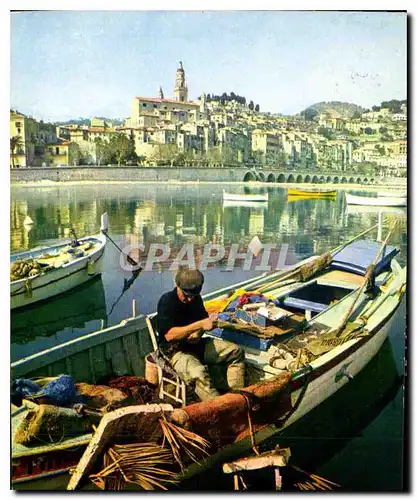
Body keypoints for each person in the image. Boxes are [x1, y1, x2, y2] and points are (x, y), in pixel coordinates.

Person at [157, 267, 245, 401]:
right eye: (186, 295)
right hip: (174, 351)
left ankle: (236, 396)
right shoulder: (167, 301)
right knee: (199, 373)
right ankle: (219, 408)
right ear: (178, 286)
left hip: (196, 345)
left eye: (193, 295)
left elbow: (203, 321)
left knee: (235, 351)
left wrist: (201, 331)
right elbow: (169, 335)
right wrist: (199, 325)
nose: (190, 299)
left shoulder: (196, 299)